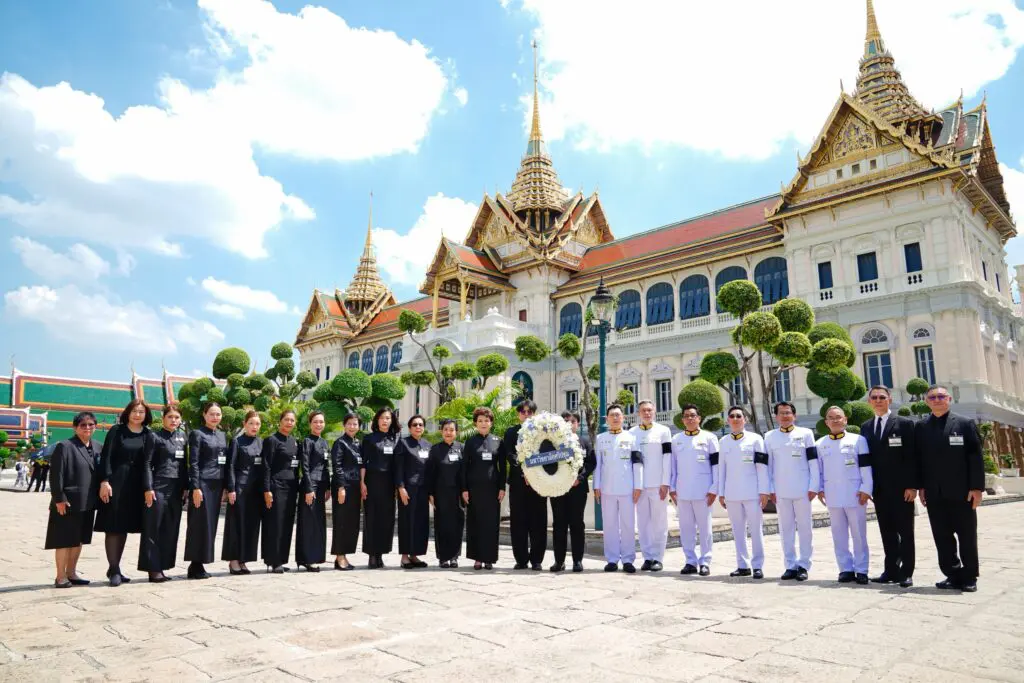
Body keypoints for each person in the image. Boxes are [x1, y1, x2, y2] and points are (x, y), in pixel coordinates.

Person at [915, 384, 983, 592]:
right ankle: (952, 574)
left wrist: (977, 488)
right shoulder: (921, 426)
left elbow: (975, 457)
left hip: (962, 492)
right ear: (927, 401)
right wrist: (921, 487)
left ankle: (970, 575)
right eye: (932, 397)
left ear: (949, 399)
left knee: (967, 535)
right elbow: (919, 460)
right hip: (934, 493)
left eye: (941, 396)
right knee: (942, 537)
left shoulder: (964, 424)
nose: (937, 400)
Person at [862, 386, 918, 588]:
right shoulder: (866, 427)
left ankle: (907, 572)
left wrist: (912, 486)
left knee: (905, 531)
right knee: (887, 532)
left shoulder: (904, 424)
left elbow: (912, 456)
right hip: (879, 490)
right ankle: (891, 570)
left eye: (882, 397)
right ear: (869, 402)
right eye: (874, 397)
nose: (878, 400)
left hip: (902, 489)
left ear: (890, 400)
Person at [95, 399, 154, 587]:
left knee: (126, 526)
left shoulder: (148, 434)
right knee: (114, 526)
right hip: (116, 483)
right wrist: (104, 481)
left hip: (136, 486)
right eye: (135, 411)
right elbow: (106, 457)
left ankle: (116, 567)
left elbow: (148, 463)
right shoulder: (116, 431)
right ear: (128, 412)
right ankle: (113, 568)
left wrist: (148, 487)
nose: (138, 415)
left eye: (141, 412)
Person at [816, 406, 873, 585]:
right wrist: (819, 489)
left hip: (855, 494)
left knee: (859, 534)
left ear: (845, 420)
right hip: (832, 495)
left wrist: (866, 488)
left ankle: (862, 569)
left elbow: (865, 466)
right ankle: (845, 569)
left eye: (838, 417)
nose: (835, 420)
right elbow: (818, 470)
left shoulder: (858, 440)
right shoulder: (820, 444)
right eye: (831, 418)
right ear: (826, 422)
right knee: (838, 534)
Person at [765, 401, 818, 582]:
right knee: (785, 529)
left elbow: (813, 462)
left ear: (794, 415)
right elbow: (768, 466)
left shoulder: (806, 434)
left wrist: (814, 486)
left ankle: (804, 564)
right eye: (781, 413)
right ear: (776, 416)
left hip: (803, 489)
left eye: (788, 413)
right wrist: (770, 489)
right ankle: (790, 564)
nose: (785, 416)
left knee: (805, 528)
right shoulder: (770, 437)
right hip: (781, 490)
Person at [45, 412, 99, 588]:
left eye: (91, 424)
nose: (87, 428)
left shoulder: (98, 447)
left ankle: (72, 572)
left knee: (78, 540)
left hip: (88, 502)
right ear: (75, 427)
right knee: (63, 540)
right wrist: (59, 498)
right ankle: (60, 576)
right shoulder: (65, 446)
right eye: (83, 425)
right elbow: (56, 475)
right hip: (67, 502)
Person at [718, 406, 769, 580]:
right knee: (737, 530)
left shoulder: (755, 439)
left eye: (739, 416)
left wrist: (764, 491)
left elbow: (762, 467)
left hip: (752, 492)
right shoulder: (723, 441)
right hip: (732, 493)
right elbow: (721, 469)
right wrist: (721, 492)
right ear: (727, 420)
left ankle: (757, 565)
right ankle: (742, 565)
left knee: (756, 530)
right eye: (731, 416)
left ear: (745, 419)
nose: (735, 418)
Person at [139, 404, 188, 582]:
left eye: (176, 417)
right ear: (163, 417)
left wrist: (185, 487)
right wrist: (148, 488)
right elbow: (147, 464)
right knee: (154, 527)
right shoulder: (154, 436)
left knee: (170, 527)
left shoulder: (182, 437)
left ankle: (164, 566)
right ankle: (153, 569)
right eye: (170, 417)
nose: (174, 420)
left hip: (176, 489)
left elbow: (183, 465)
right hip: (158, 486)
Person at [669, 403, 719, 576]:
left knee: (705, 529)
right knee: (686, 528)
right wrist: (672, 488)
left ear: (699, 418)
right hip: (683, 491)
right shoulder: (677, 440)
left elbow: (716, 466)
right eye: (686, 416)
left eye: (693, 415)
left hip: (704, 491)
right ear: (682, 420)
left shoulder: (710, 438)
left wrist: (714, 488)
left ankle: (705, 561)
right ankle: (690, 560)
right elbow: (673, 467)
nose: (690, 418)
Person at [594, 403, 642, 573]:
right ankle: (612, 559)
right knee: (610, 525)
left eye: (618, 415)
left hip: (627, 488)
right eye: (612, 415)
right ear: (606, 419)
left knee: (628, 524)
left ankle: (628, 559)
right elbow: (598, 465)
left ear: (622, 418)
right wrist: (596, 486)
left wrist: (638, 485)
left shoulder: (632, 438)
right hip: (607, 489)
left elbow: (637, 463)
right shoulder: (601, 438)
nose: (615, 418)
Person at [184, 402, 227, 580]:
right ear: (204, 415)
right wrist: (195, 487)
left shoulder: (223, 435)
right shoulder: (197, 434)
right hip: (202, 484)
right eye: (211, 414)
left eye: (218, 414)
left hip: (217, 485)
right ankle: (194, 564)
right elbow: (193, 462)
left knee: (211, 525)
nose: (215, 417)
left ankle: (201, 562)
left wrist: (225, 486)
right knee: (199, 524)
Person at [461, 407, 507, 570]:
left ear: (491, 423)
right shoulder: (470, 442)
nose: (483, 423)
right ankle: (477, 558)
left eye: (486, 420)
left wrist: (502, 488)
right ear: (475, 423)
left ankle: (489, 558)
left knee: (491, 524)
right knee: (475, 523)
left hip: (493, 490)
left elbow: (503, 467)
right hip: (474, 490)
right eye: (480, 421)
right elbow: (464, 467)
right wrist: (464, 489)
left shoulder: (498, 441)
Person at [629, 400, 673, 572]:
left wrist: (665, 482)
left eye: (649, 410)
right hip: (639, 487)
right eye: (643, 411)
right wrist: (634, 485)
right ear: (638, 413)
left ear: (654, 412)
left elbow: (667, 458)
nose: (647, 413)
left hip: (657, 484)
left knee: (659, 522)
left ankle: (658, 557)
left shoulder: (664, 431)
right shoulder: (632, 433)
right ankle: (647, 557)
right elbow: (632, 461)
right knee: (642, 523)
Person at [550, 412, 596, 573]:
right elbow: (547, 463)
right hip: (558, 490)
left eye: (573, 421)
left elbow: (591, 462)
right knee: (559, 525)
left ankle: (577, 561)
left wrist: (580, 478)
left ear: (577, 424)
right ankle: (559, 561)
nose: (570, 424)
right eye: (566, 421)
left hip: (578, 489)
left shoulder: (584, 442)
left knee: (577, 525)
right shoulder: (553, 442)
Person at [505, 400, 548, 570]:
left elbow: (547, 454)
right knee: (518, 522)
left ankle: (537, 559)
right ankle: (521, 559)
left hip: (539, 483)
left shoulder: (543, 432)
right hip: (518, 483)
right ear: (518, 414)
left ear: (534, 414)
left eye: (530, 412)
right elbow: (510, 454)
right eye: (523, 412)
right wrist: (525, 472)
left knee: (538, 522)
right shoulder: (511, 432)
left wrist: (534, 474)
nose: (526, 414)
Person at [221, 410, 264, 576]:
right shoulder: (237, 442)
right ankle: (233, 560)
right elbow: (230, 466)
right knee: (235, 525)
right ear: (244, 424)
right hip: (239, 488)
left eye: (257, 424)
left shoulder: (261, 442)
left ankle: (244, 559)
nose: (254, 426)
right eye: (251, 423)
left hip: (255, 490)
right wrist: (231, 488)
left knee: (251, 526)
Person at [261, 410, 300, 574]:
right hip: (276, 486)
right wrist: (267, 490)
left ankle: (282, 559)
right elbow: (266, 466)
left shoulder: (294, 441)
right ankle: (273, 560)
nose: (289, 423)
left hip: (291, 487)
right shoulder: (272, 440)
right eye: (286, 420)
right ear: (280, 421)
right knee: (275, 524)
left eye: (292, 420)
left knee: (286, 524)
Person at [361, 408, 399, 569]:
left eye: (388, 418)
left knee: (386, 519)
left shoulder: (396, 439)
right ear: (377, 420)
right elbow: (362, 462)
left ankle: (381, 553)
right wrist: (362, 483)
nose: (385, 421)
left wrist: (399, 485)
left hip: (389, 484)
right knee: (372, 518)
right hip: (372, 482)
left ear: (392, 421)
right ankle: (371, 554)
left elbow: (398, 465)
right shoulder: (369, 439)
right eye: (382, 418)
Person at [425, 418, 465, 568]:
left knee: (457, 525)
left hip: (458, 494)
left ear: (456, 432)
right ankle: (443, 557)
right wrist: (430, 493)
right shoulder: (435, 450)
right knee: (441, 525)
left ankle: (454, 557)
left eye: (452, 430)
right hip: (440, 493)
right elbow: (430, 474)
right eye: (446, 429)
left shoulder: (462, 448)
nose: (448, 432)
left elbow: (465, 472)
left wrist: (465, 491)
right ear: (441, 431)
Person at [296, 411, 330, 572]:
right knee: (308, 523)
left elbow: (326, 466)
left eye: (321, 422)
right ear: (310, 424)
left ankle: (316, 557)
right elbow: (305, 466)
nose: (318, 424)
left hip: (322, 486)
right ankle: (306, 559)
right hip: (310, 487)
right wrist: (309, 489)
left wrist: (328, 487)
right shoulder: (307, 442)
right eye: (315, 422)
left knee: (318, 523)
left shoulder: (324, 442)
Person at [395, 415, 431, 569]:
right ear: (409, 428)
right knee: (407, 521)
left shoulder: (427, 445)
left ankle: (415, 555)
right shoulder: (403, 443)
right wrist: (401, 487)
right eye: (415, 424)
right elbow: (398, 468)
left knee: (420, 523)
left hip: (423, 489)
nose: (418, 427)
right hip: (408, 489)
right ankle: (405, 557)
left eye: (421, 424)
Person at [330, 413, 362, 570]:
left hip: (355, 488)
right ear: (344, 425)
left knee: (351, 523)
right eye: (349, 423)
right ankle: (339, 556)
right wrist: (341, 487)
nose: (352, 426)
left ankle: (344, 555)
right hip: (344, 487)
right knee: (341, 522)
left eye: (355, 424)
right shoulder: (340, 443)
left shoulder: (358, 443)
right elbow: (337, 466)